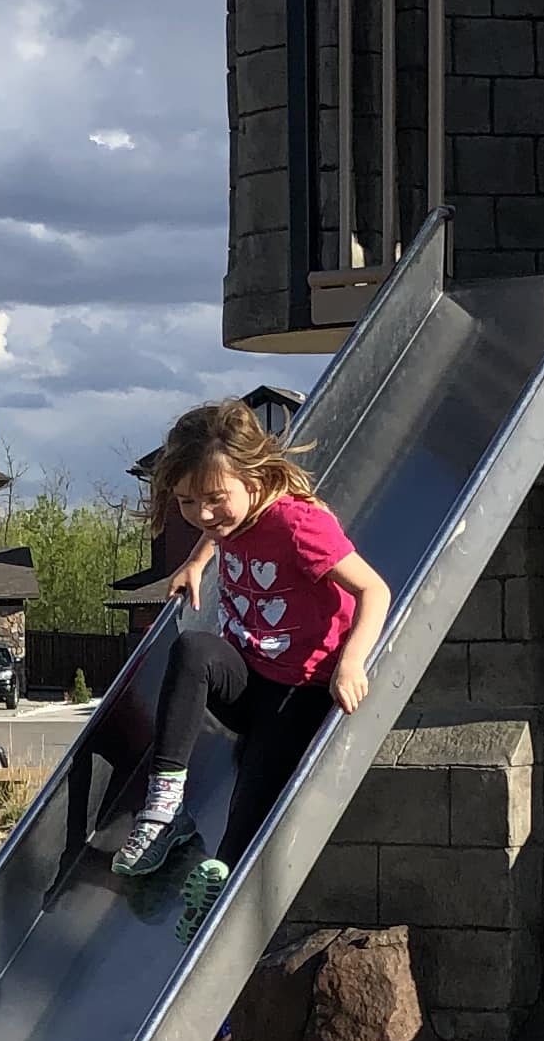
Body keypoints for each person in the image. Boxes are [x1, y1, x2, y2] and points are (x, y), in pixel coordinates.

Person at [104, 401, 389, 936]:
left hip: (299, 695)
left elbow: (375, 589)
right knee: (193, 651)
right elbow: (217, 528)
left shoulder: (300, 525)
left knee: (246, 815)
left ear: (255, 479)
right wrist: (194, 562)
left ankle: (215, 910)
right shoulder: (230, 514)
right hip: (250, 681)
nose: (205, 514)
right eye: (188, 502)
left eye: (215, 499)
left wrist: (351, 663)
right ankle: (166, 810)